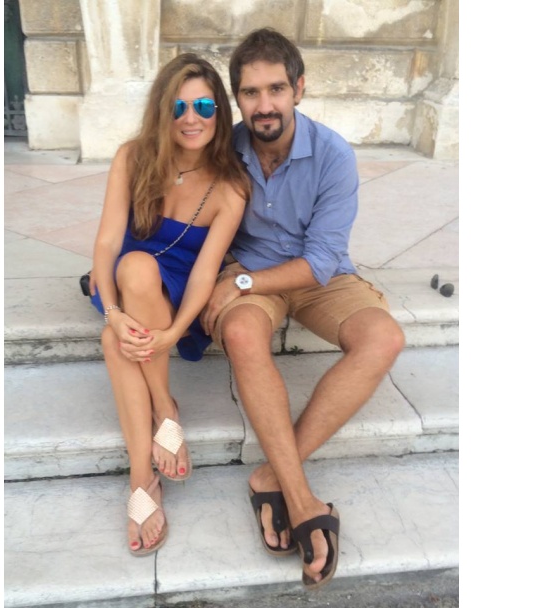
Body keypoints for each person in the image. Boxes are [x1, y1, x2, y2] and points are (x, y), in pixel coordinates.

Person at [200, 28, 405, 589]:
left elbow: (319, 262)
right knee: (242, 335)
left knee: (384, 337)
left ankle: (272, 476)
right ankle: (303, 499)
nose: (264, 105)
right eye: (250, 92)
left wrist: (242, 282)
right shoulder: (224, 148)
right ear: (237, 98)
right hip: (250, 279)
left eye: (276, 89)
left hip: (316, 277)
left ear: (299, 89)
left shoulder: (334, 155)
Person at [88, 53, 250, 555]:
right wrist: (113, 312)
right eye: (179, 107)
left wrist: (175, 332)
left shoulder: (230, 186)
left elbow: (205, 271)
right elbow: (106, 245)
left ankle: (142, 478)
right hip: (125, 284)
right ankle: (164, 410)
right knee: (134, 269)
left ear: (219, 111)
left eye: (204, 105)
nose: (191, 117)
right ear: (163, 111)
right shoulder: (132, 157)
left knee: (114, 344)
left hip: (180, 293)